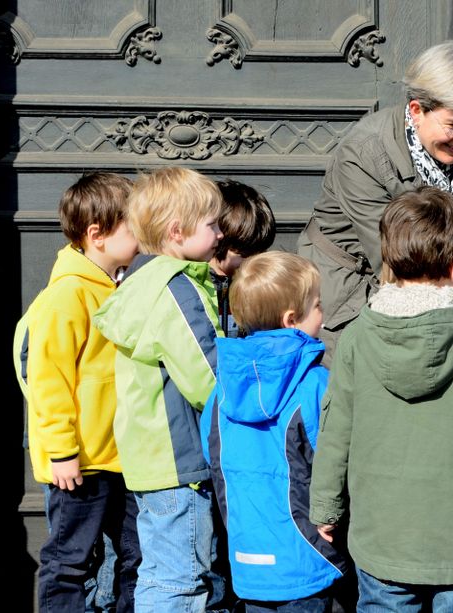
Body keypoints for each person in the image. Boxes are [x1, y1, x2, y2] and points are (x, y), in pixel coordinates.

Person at [310, 187, 453, 611]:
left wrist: (326, 506)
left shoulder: (353, 341)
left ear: (388, 263)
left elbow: (336, 433)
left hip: (381, 535)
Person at [296, 39, 453, 362]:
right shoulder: (365, 153)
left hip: (438, 288)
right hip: (352, 289)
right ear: (416, 110)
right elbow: (398, 262)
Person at [93, 167, 225, 613]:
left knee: (162, 570)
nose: (221, 233)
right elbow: (206, 373)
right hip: (179, 458)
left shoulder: (138, 280)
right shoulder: (176, 287)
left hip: (151, 456)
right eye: (212, 224)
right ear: (176, 232)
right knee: (180, 578)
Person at [17, 172, 141, 612]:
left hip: (119, 456)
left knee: (137, 556)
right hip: (80, 462)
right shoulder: (67, 295)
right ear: (97, 235)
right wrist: (61, 451)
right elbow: (49, 380)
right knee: (71, 559)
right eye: (134, 228)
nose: (143, 237)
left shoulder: (117, 287)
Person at [201, 251, 346, 611]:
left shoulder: (222, 389)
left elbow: (211, 450)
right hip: (308, 554)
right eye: (317, 305)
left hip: (247, 557)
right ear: (292, 319)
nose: (323, 314)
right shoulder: (315, 383)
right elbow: (337, 459)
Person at [209, 180, 276, 337]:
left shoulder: (255, 284)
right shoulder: (191, 288)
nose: (253, 263)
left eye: (260, 253)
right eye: (245, 255)